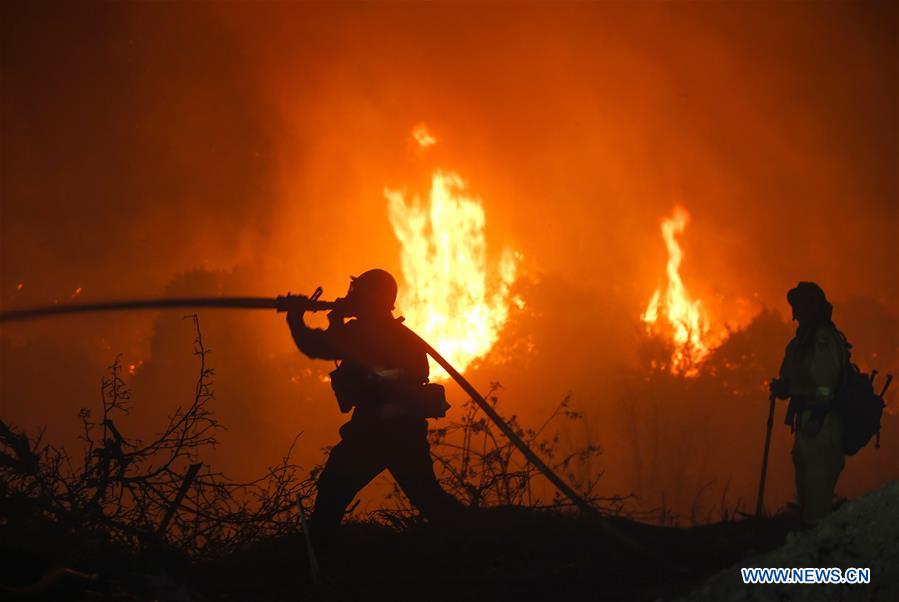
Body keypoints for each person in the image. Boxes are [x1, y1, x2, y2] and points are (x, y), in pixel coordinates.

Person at [285, 268, 462, 547]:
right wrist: (336, 321)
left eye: (358, 293)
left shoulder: (366, 332)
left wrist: (295, 316)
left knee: (333, 490)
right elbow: (342, 346)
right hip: (404, 431)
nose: (350, 296)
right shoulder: (396, 333)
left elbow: (316, 346)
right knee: (428, 496)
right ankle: (474, 536)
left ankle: (318, 556)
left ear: (373, 299)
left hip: (375, 432)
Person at [769, 282, 849, 525]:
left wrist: (818, 415)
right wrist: (784, 388)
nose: (794, 312)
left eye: (799, 305)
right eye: (794, 306)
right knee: (806, 497)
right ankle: (811, 548)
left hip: (823, 425)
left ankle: (822, 556)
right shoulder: (800, 343)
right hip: (806, 425)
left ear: (812, 307)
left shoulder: (823, 339)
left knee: (817, 504)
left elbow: (826, 382)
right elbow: (794, 378)